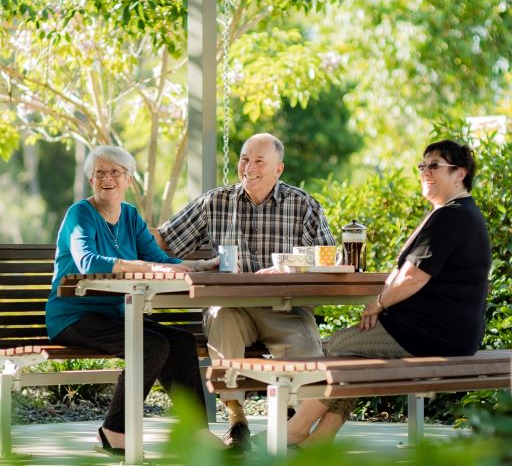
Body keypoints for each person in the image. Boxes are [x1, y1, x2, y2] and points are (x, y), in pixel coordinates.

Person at [285, 139, 492, 448]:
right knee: (350, 358)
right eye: (423, 166)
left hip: (429, 334)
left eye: (435, 166)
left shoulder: (451, 217)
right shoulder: (460, 213)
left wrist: (378, 304)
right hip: (449, 333)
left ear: (460, 173)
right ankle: (316, 440)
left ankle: (295, 430)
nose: (425, 172)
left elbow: (412, 278)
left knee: (336, 346)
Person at [156, 133, 336, 452]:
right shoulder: (216, 201)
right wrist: (119, 234)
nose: (248, 166)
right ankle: (237, 421)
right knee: (220, 317)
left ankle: (290, 422)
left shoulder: (303, 204)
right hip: (232, 306)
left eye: (258, 161)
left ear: (278, 169)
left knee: (306, 351)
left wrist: (289, 264)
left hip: (285, 307)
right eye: (244, 158)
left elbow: (331, 256)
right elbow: (165, 239)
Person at [45, 145, 217, 457]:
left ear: (128, 180)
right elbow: (88, 263)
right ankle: (114, 431)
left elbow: (158, 259)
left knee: (179, 341)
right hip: (73, 317)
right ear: (91, 180)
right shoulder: (80, 214)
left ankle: (197, 433)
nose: (106, 178)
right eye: (99, 173)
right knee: (151, 345)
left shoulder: (131, 217)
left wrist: (200, 267)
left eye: (115, 172)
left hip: (116, 314)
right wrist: (138, 266)